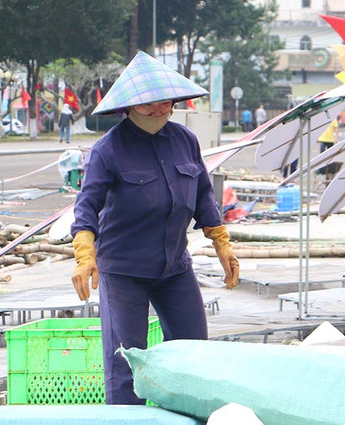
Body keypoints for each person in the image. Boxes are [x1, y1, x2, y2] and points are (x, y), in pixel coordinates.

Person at [70, 51, 240, 405]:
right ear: (128, 107)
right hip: (124, 271)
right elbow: (87, 204)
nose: (160, 111)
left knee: (193, 352)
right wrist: (85, 255)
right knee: (127, 361)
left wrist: (221, 241)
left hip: (174, 268)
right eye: (149, 106)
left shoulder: (184, 140)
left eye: (166, 104)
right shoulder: (108, 150)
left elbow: (204, 193)